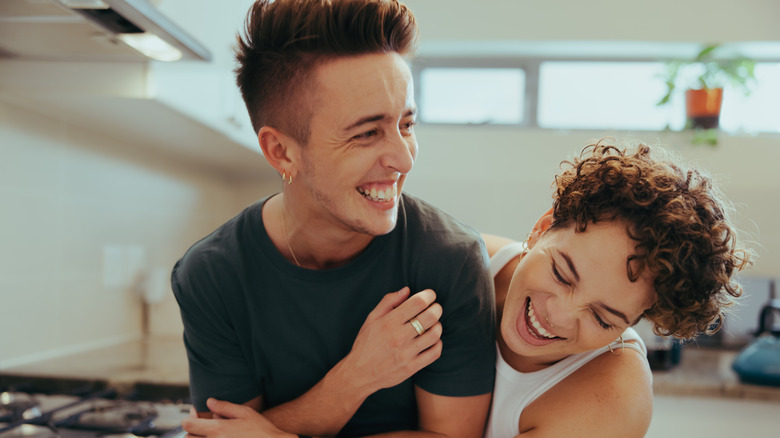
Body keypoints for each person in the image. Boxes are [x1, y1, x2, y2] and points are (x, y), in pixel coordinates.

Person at [171, 0, 496, 437]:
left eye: (407, 124)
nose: (403, 158)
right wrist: (355, 379)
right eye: (367, 133)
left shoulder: (449, 261)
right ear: (281, 151)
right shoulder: (214, 275)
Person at [482, 141, 751, 437]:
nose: (558, 316)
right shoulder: (467, 262)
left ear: (636, 319)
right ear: (541, 229)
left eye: (602, 318)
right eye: (561, 274)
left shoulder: (614, 400)